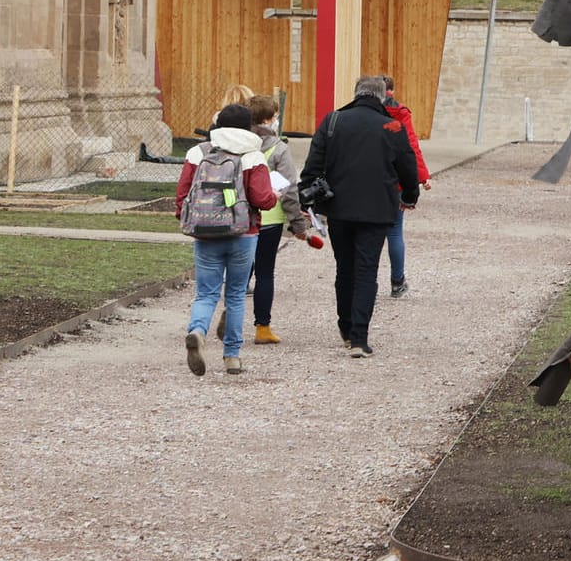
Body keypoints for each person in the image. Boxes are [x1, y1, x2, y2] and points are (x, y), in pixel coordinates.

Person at [299, 75, 418, 358]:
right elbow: (407, 165)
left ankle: (346, 326)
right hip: (377, 209)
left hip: (339, 207)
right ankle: (359, 338)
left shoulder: (333, 121)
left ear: (356, 94)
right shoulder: (392, 126)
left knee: (345, 268)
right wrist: (410, 196)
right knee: (367, 270)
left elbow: (313, 164)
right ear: (382, 97)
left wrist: (307, 196)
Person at [174, 103, 278, 377]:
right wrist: (274, 197)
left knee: (206, 292)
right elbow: (261, 198)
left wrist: (186, 218)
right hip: (244, 233)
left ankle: (197, 331)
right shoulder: (253, 155)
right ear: (249, 126)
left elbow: (183, 191)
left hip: (205, 230)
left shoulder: (199, 152)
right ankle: (232, 356)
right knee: (234, 295)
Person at [247, 94, 311, 343]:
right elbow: (288, 189)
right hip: (269, 217)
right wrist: (298, 224)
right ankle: (262, 327)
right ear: (267, 119)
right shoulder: (278, 148)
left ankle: (229, 320)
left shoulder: (238, 143)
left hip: (241, 215)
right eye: (274, 117)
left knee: (240, 274)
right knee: (265, 273)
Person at [377, 75, 431, 298]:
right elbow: (411, 148)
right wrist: (422, 176)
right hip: (396, 181)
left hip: (371, 179)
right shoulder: (400, 113)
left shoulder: (366, 113)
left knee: (369, 234)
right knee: (395, 233)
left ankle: (366, 283)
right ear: (392, 90)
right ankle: (397, 281)